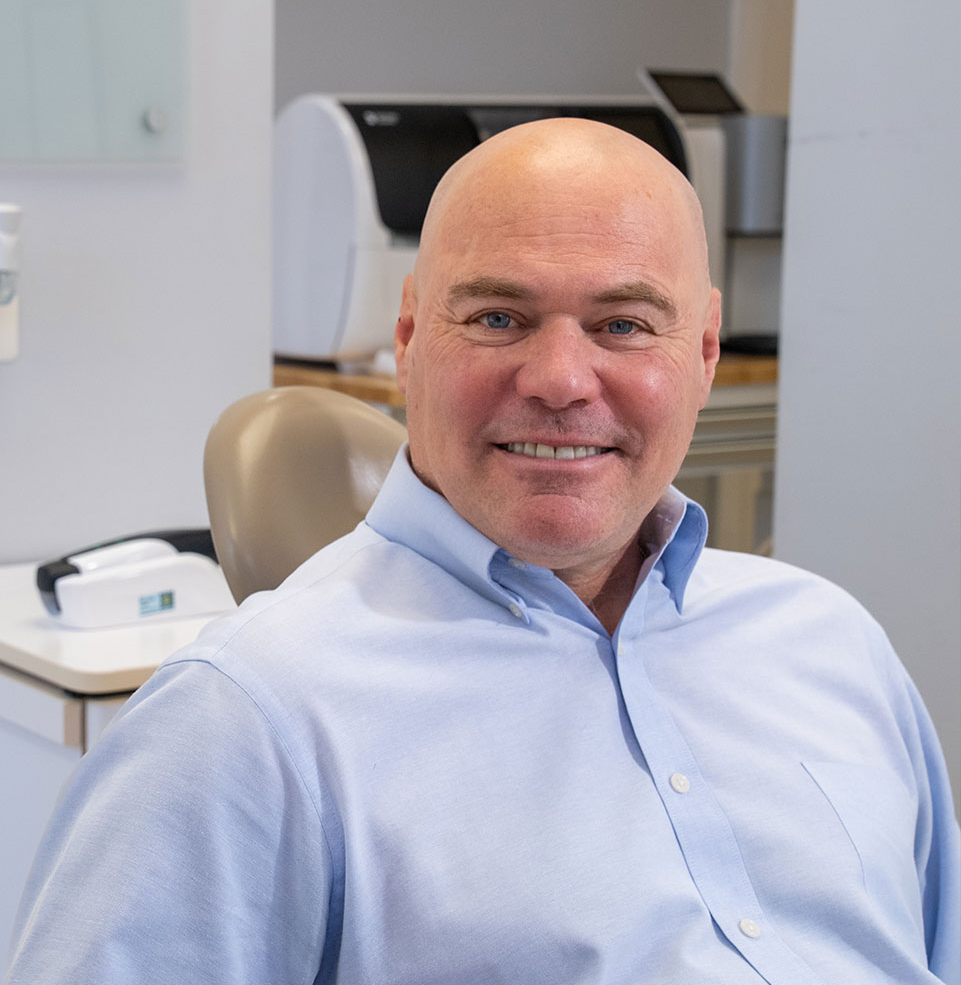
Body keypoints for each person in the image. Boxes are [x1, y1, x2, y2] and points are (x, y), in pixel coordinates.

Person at [4, 119, 958, 985]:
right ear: (411, 336)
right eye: (497, 318)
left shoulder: (832, 644)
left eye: (622, 325)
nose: (557, 380)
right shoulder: (247, 723)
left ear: (704, 349)